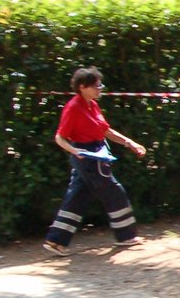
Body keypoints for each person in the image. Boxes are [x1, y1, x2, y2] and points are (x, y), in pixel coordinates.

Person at [42, 67, 147, 254]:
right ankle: (126, 236)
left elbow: (105, 130)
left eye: (100, 86)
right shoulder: (73, 108)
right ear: (82, 87)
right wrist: (75, 151)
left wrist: (129, 143)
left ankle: (55, 241)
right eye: (96, 86)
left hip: (96, 152)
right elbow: (60, 137)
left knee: (77, 196)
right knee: (114, 192)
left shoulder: (92, 105)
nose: (100, 89)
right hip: (88, 156)